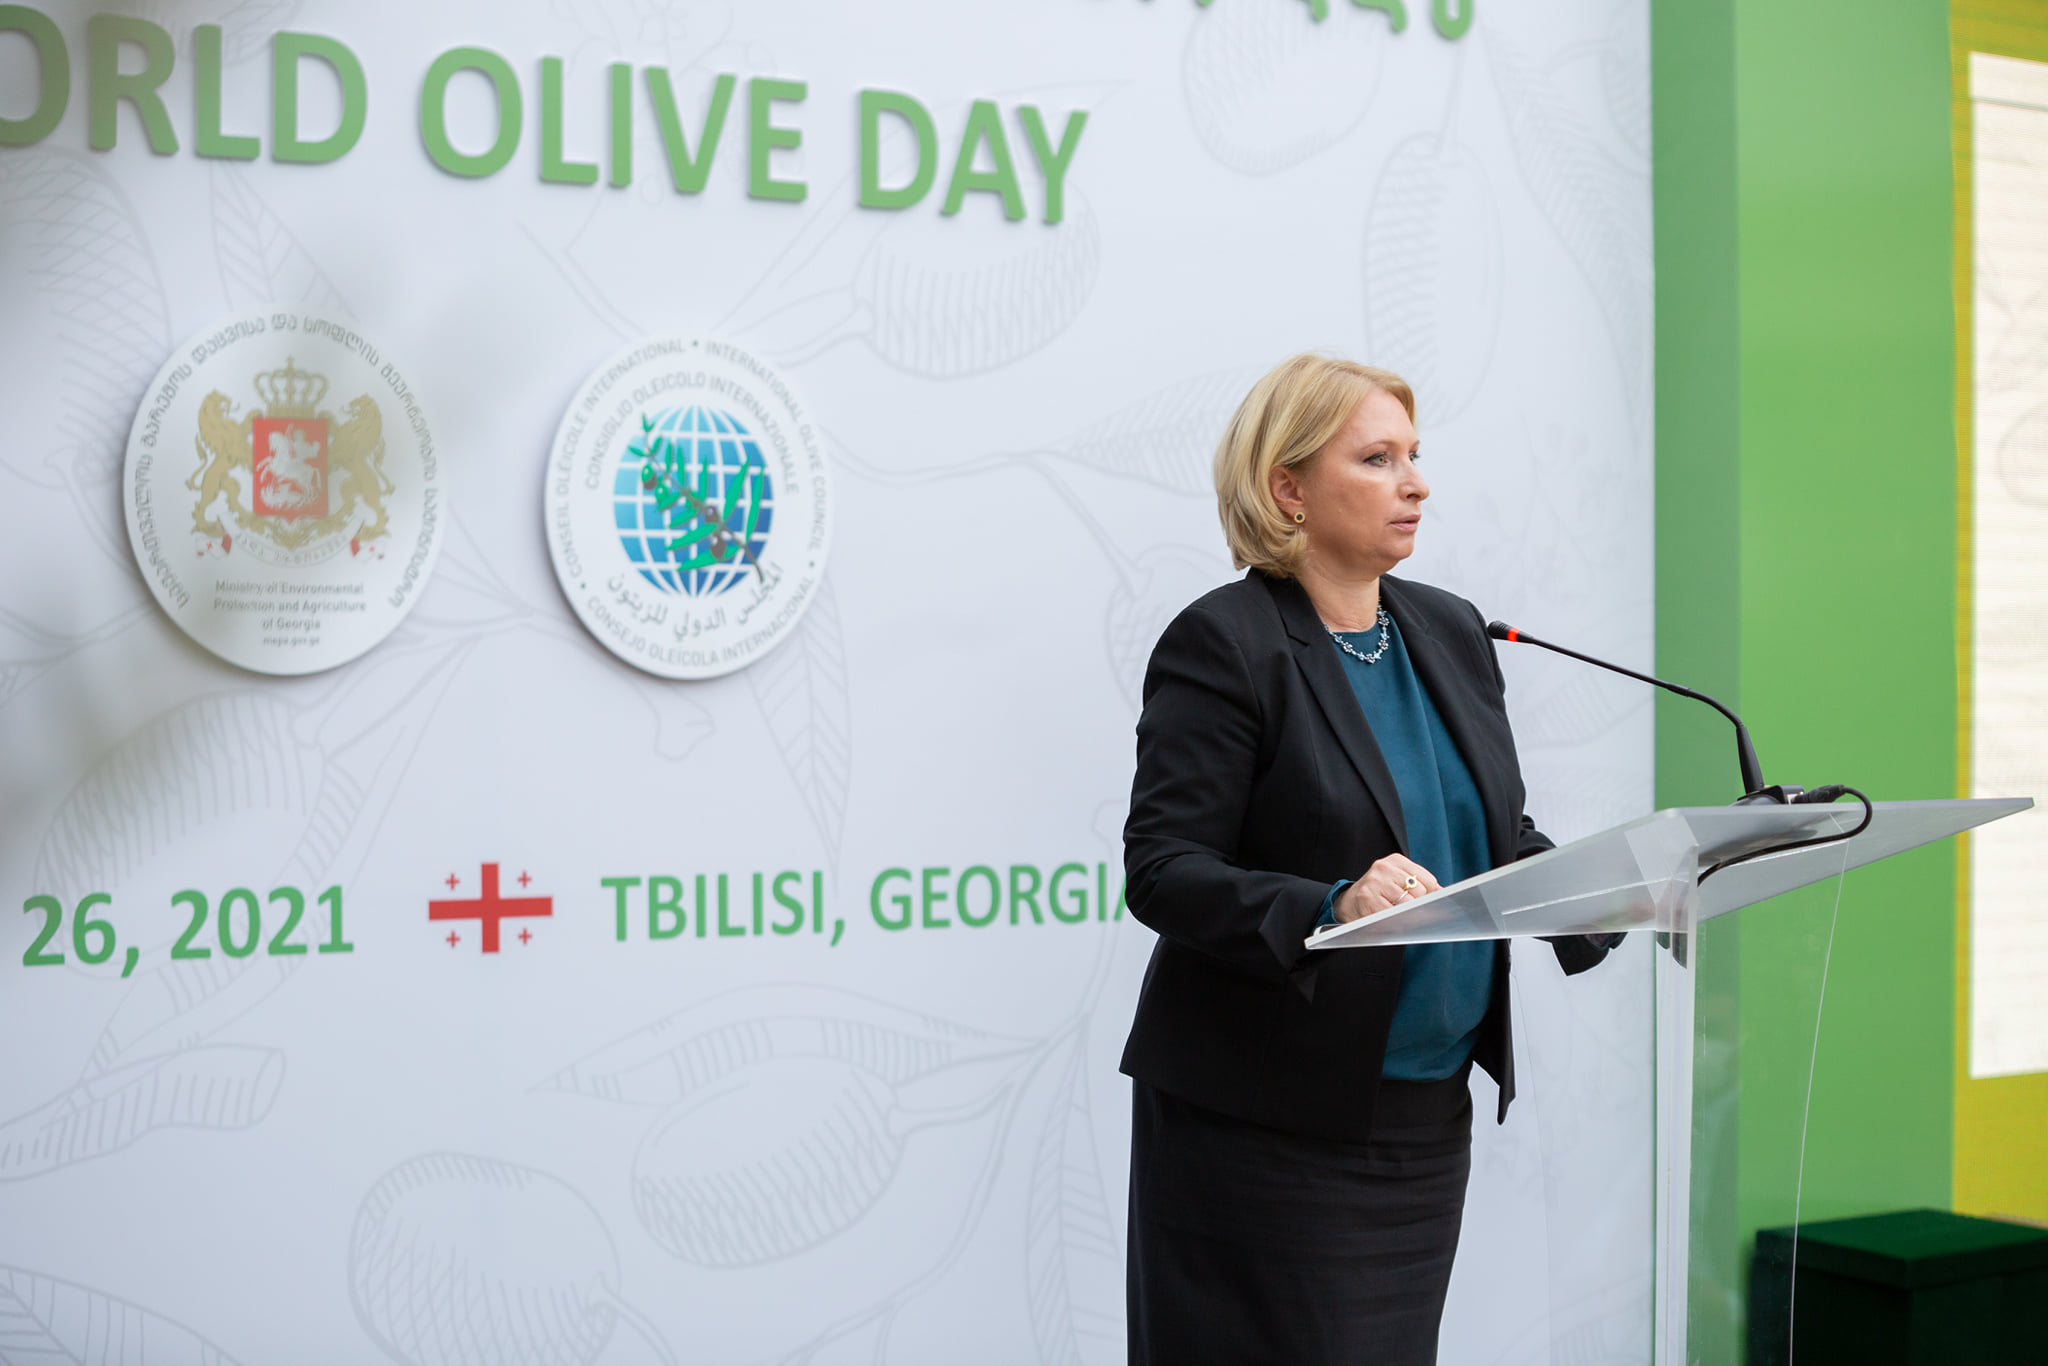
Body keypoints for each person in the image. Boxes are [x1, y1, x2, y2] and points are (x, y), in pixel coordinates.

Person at [1120, 354, 1617, 1365]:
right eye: (1378, 459)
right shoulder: (1225, 643)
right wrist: (1332, 902)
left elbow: (1488, 826)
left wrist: (1603, 890)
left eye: (1414, 456)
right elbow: (1162, 867)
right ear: (1287, 487)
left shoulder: (1448, 627)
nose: (1416, 483)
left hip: (1423, 1121)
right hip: (1265, 1129)